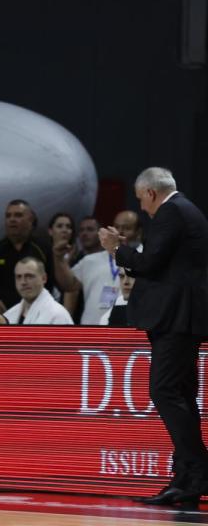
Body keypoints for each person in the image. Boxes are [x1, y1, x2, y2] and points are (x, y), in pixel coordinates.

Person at [100, 167, 208, 507]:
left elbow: (149, 264)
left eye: (140, 199)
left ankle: (198, 470)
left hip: (175, 320)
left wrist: (116, 249)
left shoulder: (171, 211)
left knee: (164, 391)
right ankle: (187, 477)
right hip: (181, 319)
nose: (142, 207)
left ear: (150, 193)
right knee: (181, 394)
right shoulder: (186, 210)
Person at [0, 199, 56, 311]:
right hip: (0, 316)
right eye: (8, 216)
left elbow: (51, 286)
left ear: (30, 220)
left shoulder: (44, 249)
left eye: (18, 215)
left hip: (36, 313)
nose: (12, 219)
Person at [2, 257, 73, 325]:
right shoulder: (9, 315)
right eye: (19, 277)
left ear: (44, 278)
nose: (23, 282)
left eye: (29, 276)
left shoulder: (58, 315)